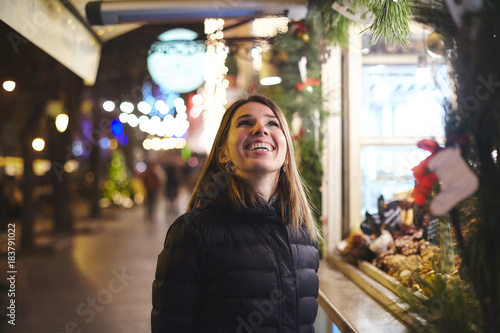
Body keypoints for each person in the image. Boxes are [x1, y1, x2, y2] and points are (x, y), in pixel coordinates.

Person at [151, 95, 320, 332]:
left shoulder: (303, 233)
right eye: (245, 123)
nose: (261, 128)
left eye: (272, 123)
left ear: (286, 152)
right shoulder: (192, 231)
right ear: (223, 154)